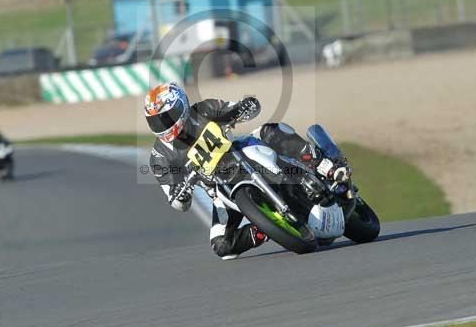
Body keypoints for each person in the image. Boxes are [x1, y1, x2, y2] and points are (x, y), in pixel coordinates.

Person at [145, 82, 351, 260]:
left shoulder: (203, 110)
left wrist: (243, 107)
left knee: (269, 131)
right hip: (218, 188)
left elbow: (239, 108)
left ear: (182, 105)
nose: (164, 125)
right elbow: (176, 200)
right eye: (156, 121)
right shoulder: (159, 157)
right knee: (222, 246)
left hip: (241, 152)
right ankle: (265, 228)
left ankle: (327, 165)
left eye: (167, 117)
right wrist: (180, 194)